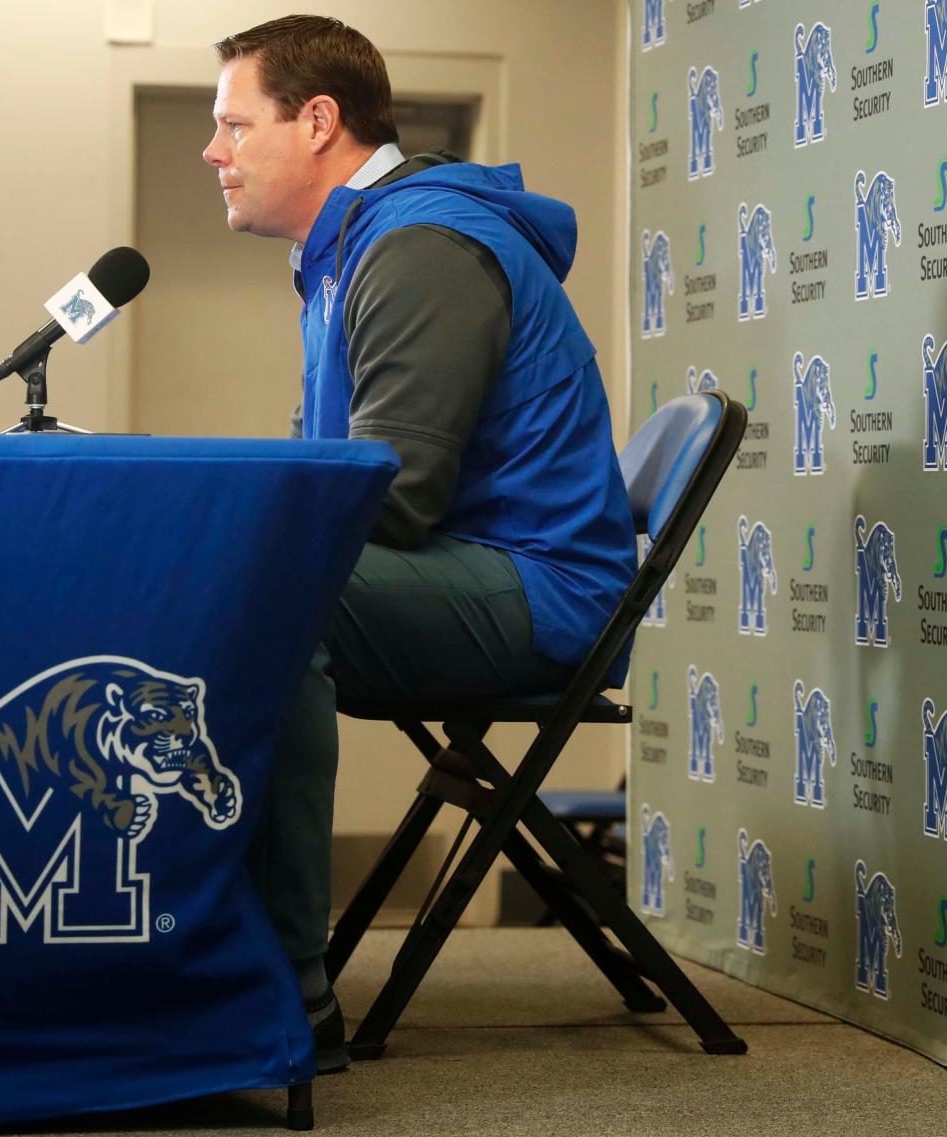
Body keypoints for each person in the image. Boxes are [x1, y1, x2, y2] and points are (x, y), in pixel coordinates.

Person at [202, 15, 636, 1072]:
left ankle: (281, 995)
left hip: (539, 593)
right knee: (229, 580)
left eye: (230, 123)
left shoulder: (417, 247)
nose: (213, 152)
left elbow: (392, 501)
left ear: (316, 122)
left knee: (262, 601)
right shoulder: (357, 249)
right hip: (481, 572)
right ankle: (212, 953)